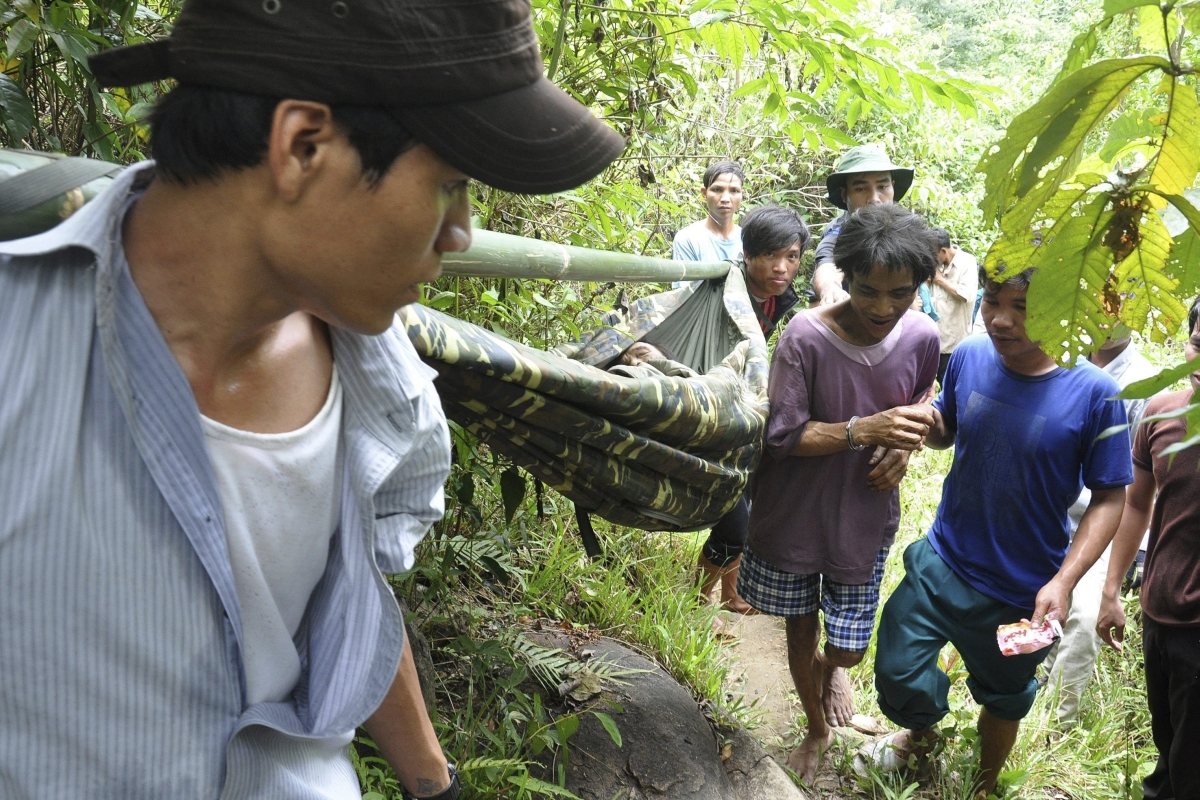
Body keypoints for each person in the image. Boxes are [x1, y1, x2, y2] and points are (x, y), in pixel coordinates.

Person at [0, 1, 623, 798]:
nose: (461, 231)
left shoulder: (382, 382)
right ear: (303, 146)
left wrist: (433, 783)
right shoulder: (24, 340)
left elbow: (346, 592)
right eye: (451, 183)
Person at [871, 269, 1132, 797]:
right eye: (992, 301)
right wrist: (922, 423)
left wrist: (1064, 582)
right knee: (898, 673)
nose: (1001, 319)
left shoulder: (1096, 394)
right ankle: (920, 735)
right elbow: (950, 424)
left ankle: (985, 786)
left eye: (1024, 307)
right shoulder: (969, 353)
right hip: (943, 560)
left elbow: (1111, 497)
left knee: (1005, 698)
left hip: (1022, 589)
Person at [737, 203, 941, 784]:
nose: (882, 307)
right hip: (795, 511)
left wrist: (905, 440)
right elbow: (781, 436)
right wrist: (863, 430)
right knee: (799, 623)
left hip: (864, 513)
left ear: (917, 287)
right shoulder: (804, 336)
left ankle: (833, 670)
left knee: (849, 646)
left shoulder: (923, 335)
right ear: (844, 279)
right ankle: (816, 727)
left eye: (899, 293)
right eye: (867, 291)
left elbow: (922, 395)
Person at [1097, 297, 1200, 800]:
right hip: (1157, 612)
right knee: (1168, 743)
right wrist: (1112, 591)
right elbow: (1136, 504)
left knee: (1188, 764)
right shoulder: (1161, 412)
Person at [1041, 329, 1158, 729]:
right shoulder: (1059, 357)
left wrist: (1130, 557)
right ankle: (1024, 695)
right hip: (1049, 509)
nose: (1108, 316)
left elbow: (1142, 486)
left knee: (1086, 618)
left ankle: (1054, 726)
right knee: (1041, 605)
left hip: (1105, 519)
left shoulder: (1145, 382)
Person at [697, 204, 810, 614]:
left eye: (791, 256)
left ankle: (732, 592)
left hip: (745, 417)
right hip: (713, 412)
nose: (781, 267)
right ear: (747, 255)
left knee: (747, 500)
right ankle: (697, 599)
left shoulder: (773, 298)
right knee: (734, 524)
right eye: (770, 256)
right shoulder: (723, 291)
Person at [811, 144, 914, 305]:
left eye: (883, 186)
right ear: (845, 195)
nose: (874, 198)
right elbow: (828, 264)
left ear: (893, 186)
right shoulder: (838, 232)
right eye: (861, 189)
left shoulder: (907, 229)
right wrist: (830, 289)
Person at [671, 160, 745, 288]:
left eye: (734, 191)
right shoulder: (687, 239)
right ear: (704, 193)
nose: (725, 198)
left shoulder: (748, 239)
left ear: (742, 195)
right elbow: (684, 295)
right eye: (717, 190)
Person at [928, 227, 979, 384]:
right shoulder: (935, 264)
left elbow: (967, 295)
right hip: (933, 341)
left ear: (943, 250)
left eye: (933, 254)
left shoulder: (967, 262)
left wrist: (940, 280)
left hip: (954, 345)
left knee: (951, 386)